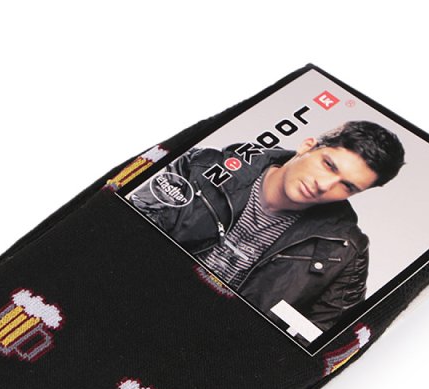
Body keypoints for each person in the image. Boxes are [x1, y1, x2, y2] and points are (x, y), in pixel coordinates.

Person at [128, 121, 405, 336]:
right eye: (328, 165)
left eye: (347, 186)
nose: (323, 185)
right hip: (131, 304)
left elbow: (320, 343)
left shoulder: (345, 251)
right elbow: (125, 233)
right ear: (307, 146)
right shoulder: (202, 168)